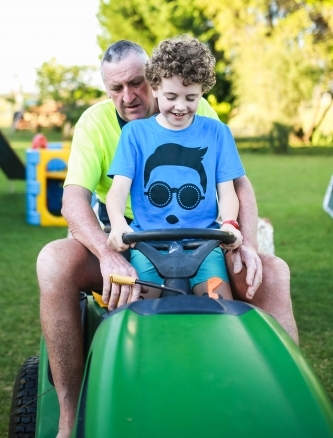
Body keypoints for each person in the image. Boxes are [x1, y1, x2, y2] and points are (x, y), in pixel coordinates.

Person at [36, 39, 298, 438]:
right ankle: (71, 416)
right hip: (122, 234)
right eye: (116, 88)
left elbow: (238, 185)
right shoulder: (98, 123)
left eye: (137, 83)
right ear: (107, 90)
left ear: (154, 79)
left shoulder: (195, 110)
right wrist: (108, 253)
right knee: (53, 262)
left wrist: (245, 243)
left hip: (205, 233)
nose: (129, 96)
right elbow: (74, 200)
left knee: (273, 272)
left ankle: (285, 407)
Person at [106, 35, 244, 300]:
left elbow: (227, 191)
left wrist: (229, 224)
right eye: (171, 96)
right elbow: (118, 189)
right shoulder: (135, 134)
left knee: (219, 307)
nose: (181, 107)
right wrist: (117, 225)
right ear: (155, 87)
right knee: (139, 311)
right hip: (147, 246)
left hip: (204, 247)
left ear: (202, 91)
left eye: (191, 97)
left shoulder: (217, 133)